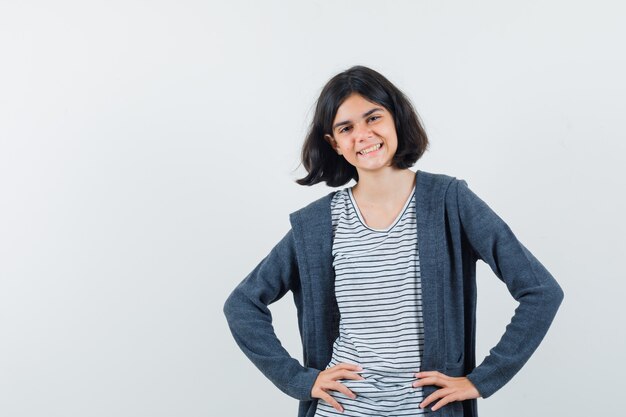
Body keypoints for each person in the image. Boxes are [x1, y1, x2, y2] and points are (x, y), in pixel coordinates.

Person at [223, 65, 564, 417]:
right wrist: (300, 380)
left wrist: (483, 379)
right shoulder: (317, 225)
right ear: (334, 143)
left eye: (373, 118)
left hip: (427, 408)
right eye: (346, 128)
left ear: (396, 119)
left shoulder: (449, 200)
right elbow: (242, 304)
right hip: (341, 409)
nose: (364, 135)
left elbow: (540, 291)